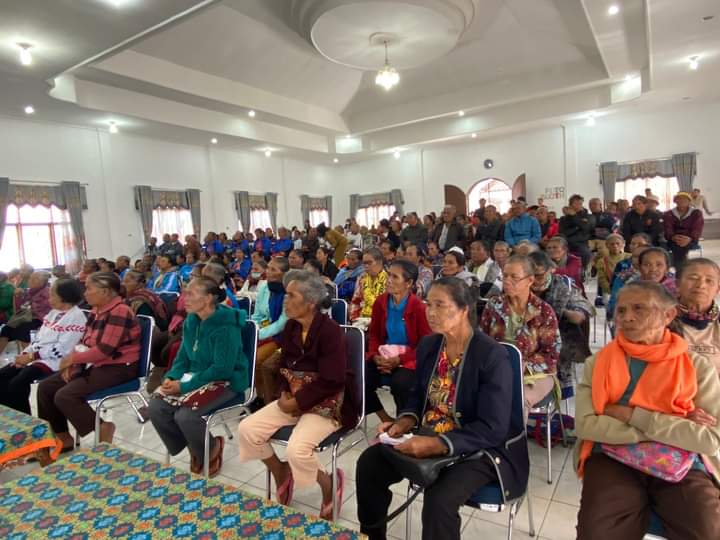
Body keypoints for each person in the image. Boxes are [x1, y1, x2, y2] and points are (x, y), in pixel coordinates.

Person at [356, 278, 527, 540]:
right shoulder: (430, 345)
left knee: (439, 500)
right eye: (428, 304)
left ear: (464, 309)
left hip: (477, 447)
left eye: (440, 305)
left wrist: (437, 445)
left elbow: (492, 427)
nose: (431, 312)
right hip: (429, 432)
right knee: (370, 464)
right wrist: (403, 422)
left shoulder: (491, 355)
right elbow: (417, 396)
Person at [574, 281, 720, 540]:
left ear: (668, 315)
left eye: (639, 308)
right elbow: (587, 426)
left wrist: (632, 415)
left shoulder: (696, 368)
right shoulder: (598, 363)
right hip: (611, 455)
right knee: (597, 532)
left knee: (707, 530)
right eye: (621, 310)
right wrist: (675, 423)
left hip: (680, 460)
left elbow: (709, 439)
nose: (627, 317)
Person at [237, 270, 358, 520]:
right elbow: (284, 366)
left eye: (291, 295)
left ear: (310, 302)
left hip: (326, 402)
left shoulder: (331, 331)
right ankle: (281, 472)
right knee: (247, 429)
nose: (285, 300)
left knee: (297, 449)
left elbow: (333, 379)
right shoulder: (292, 326)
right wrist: (283, 393)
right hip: (294, 397)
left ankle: (329, 484)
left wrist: (297, 402)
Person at [149, 277, 249, 477]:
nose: (184, 298)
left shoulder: (226, 326)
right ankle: (194, 446)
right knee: (157, 406)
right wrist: (172, 377)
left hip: (227, 381)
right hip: (196, 376)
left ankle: (211, 448)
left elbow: (222, 369)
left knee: (186, 415)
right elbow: (183, 356)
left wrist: (183, 387)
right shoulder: (192, 320)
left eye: (191, 294)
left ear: (208, 298)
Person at [37, 272, 141, 450]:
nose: (85, 293)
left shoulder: (120, 311)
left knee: (65, 395)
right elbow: (84, 342)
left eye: (89, 288)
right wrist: (73, 363)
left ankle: (102, 427)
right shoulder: (96, 310)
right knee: (46, 387)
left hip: (118, 367)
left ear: (105, 291)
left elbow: (104, 350)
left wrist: (72, 359)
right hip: (94, 363)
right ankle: (62, 437)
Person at [480, 256, 561, 415]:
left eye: (514, 277)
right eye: (505, 276)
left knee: (519, 399)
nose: (507, 281)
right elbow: (482, 341)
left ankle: (515, 433)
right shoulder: (494, 305)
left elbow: (551, 353)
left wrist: (524, 365)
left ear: (530, 280)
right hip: (497, 370)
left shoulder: (543, 311)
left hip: (535, 374)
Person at [0, 279, 86, 414]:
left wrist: (31, 356)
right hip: (37, 356)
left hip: (55, 361)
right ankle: (9, 416)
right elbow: (38, 339)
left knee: (17, 384)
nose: (49, 299)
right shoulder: (53, 313)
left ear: (64, 296)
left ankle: (24, 419)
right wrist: (24, 355)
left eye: (52, 295)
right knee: (2, 376)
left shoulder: (77, 317)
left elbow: (63, 349)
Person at [366, 260, 431, 423]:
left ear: (408, 283)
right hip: (384, 355)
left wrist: (399, 360)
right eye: (389, 275)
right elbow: (374, 334)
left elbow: (425, 345)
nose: (389, 280)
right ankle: (386, 419)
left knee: (401, 383)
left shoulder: (419, 307)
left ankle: (405, 423)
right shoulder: (381, 302)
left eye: (395, 277)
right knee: (357, 377)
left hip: (410, 359)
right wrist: (374, 355)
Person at [529, 251, 593, 394]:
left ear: (550, 270)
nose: (534, 280)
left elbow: (581, 308)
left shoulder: (563, 284)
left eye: (539, 275)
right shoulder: (519, 283)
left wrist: (565, 312)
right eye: (530, 275)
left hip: (558, 336)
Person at [669, 258, 720, 374]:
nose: (701, 285)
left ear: (718, 289)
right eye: (693, 278)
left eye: (709, 280)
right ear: (677, 284)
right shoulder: (662, 319)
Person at [0, 271, 51, 355]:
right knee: (6, 329)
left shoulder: (47, 292)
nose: (30, 281)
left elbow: (47, 308)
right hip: (26, 316)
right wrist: (18, 296)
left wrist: (31, 304)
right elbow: (19, 307)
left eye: (34, 279)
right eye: (31, 278)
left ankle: (28, 356)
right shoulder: (29, 291)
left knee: (22, 330)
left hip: (41, 318)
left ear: (42, 282)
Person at [251, 257, 290, 363]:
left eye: (273, 269)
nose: (268, 271)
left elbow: (282, 324)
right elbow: (257, 315)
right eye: (268, 268)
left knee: (255, 359)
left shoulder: (288, 291)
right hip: (262, 329)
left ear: (284, 274)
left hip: (281, 335)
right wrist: (254, 329)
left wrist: (259, 334)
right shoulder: (264, 287)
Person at [664, 192, 704, 264]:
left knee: (680, 248)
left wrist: (689, 238)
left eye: (685, 199)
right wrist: (673, 237)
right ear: (675, 201)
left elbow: (697, 228)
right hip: (674, 239)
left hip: (691, 239)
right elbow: (667, 228)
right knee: (677, 246)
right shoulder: (668, 214)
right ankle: (683, 265)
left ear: (689, 201)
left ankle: (680, 266)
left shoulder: (696, 213)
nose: (682, 200)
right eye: (679, 199)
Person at [350, 248, 388, 322]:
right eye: (364, 263)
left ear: (380, 262)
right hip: (362, 320)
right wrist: (354, 318)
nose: (366, 266)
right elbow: (355, 301)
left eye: (369, 263)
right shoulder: (362, 279)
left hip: (382, 321)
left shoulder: (389, 280)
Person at [593, 233, 630, 303]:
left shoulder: (629, 257)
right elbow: (602, 279)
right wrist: (611, 290)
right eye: (612, 244)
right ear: (607, 245)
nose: (615, 246)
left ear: (623, 244)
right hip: (609, 291)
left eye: (617, 243)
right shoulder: (602, 261)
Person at [558, 194, 593, 268]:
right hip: (566, 242)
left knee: (586, 253)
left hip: (580, 242)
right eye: (575, 203)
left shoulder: (587, 216)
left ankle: (584, 270)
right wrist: (577, 228)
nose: (578, 205)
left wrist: (574, 216)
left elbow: (586, 229)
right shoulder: (563, 218)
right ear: (570, 205)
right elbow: (562, 232)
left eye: (580, 203)